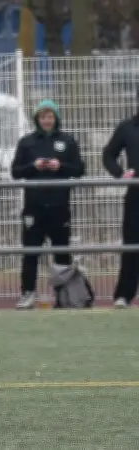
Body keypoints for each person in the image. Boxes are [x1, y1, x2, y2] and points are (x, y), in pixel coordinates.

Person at [11, 100, 85, 309]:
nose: (46, 120)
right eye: (43, 117)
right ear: (37, 119)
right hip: (33, 207)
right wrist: (33, 166)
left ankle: (63, 296)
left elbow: (79, 169)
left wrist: (60, 166)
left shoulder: (67, 141)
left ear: (56, 118)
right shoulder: (26, 142)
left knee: (62, 252)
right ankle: (28, 293)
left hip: (60, 206)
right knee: (30, 252)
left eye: (50, 116)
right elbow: (15, 171)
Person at [102, 98, 139, 309]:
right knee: (131, 244)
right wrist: (120, 173)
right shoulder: (127, 128)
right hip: (135, 194)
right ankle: (124, 294)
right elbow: (108, 155)